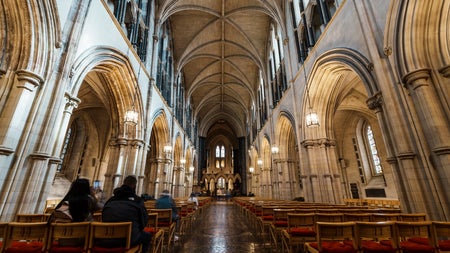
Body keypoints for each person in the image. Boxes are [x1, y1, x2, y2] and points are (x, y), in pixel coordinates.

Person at [102, 175, 151, 253]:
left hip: (105, 239)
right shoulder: (137, 201)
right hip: (128, 240)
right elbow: (144, 222)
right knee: (147, 236)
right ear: (135, 186)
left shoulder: (111, 200)